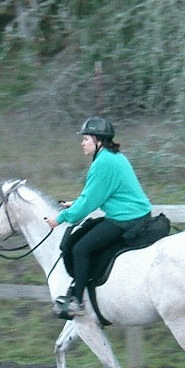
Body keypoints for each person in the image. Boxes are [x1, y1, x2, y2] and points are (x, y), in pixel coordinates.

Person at [45, 116, 153, 318]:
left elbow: (88, 203)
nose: (82, 143)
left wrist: (60, 218)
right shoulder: (113, 156)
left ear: (98, 140)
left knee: (80, 248)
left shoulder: (102, 163)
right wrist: (75, 203)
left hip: (125, 219)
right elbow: (96, 195)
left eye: (86, 139)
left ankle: (77, 302)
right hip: (134, 214)